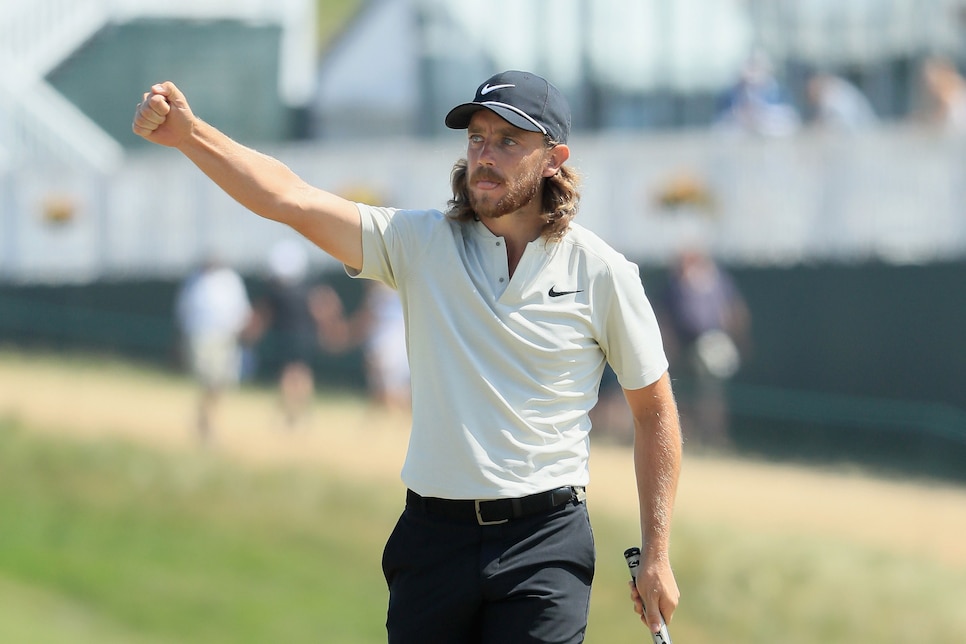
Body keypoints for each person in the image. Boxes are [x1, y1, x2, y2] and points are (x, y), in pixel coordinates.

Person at [133, 69, 682, 642]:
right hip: (433, 540)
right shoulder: (419, 243)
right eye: (477, 138)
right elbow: (290, 199)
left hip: (544, 542)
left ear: (553, 158)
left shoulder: (603, 273)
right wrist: (190, 135)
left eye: (508, 141)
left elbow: (655, 411)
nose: (485, 156)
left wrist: (658, 552)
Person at [659, 248, 751, 449]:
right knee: (679, 394)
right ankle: (684, 437)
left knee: (710, 395)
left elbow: (734, 312)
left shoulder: (717, 280)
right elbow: (667, 321)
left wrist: (739, 341)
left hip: (712, 346)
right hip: (683, 350)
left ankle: (713, 437)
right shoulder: (674, 286)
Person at [245, 238, 322, 429]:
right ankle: (301, 414)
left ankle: (290, 415)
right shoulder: (308, 290)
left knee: (288, 374)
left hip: (287, 337)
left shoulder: (276, 292)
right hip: (306, 337)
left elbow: (263, 315)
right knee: (303, 373)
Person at [174, 256, 253, 443]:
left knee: (221, 383)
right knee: (208, 379)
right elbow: (184, 310)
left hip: (226, 337)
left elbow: (241, 309)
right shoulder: (195, 280)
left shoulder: (231, 280)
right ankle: (205, 422)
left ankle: (204, 417)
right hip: (201, 336)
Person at [310, 280, 411, 413]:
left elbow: (364, 323)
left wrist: (342, 336)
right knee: (391, 393)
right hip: (398, 348)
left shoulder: (380, 294)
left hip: (388, 349)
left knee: (391, 394)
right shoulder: (398, 294)